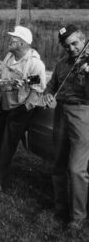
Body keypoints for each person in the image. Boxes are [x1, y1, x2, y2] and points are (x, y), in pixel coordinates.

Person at [0, 26, 46, 192]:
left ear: (22, 43)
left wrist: (24, 108)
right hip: (2, 105)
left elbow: (37, 89)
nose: (9, 40)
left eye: (13, 39)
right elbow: (2, 78)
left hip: (19, 109)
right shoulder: (9, 56)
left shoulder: (35, 64)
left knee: (7, 145)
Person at [43, 24, 89, 230]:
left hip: (83, 114)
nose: (71, 49)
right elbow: (52, 85)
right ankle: (60, 206)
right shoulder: (62, 64)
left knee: (77, 168)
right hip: (61, 113)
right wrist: (47, 93)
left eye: (75, 43)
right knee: (57, 163)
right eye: (66, 46)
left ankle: (78, 216)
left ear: (83, 39)